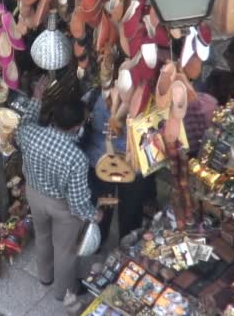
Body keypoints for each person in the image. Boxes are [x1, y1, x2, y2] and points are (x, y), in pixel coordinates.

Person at [16, 78, 103, 301]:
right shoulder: (76, 158)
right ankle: (62, 292)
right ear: (76, 127)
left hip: (34, 194)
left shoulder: (29, 134)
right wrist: (93, 214)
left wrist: (37, 96)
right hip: (61, 207)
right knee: (65, 250)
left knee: (42, 236)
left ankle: (45, 276)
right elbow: (77, 201)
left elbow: (25, 121)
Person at [84, 92, 156, 245]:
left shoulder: (98, 95)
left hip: (101, 161)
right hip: (133, 165)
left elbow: (92, 121)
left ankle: (97, 240)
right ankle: (127, 245)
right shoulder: (150, 100)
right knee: (131, 206)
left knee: (103, 202)